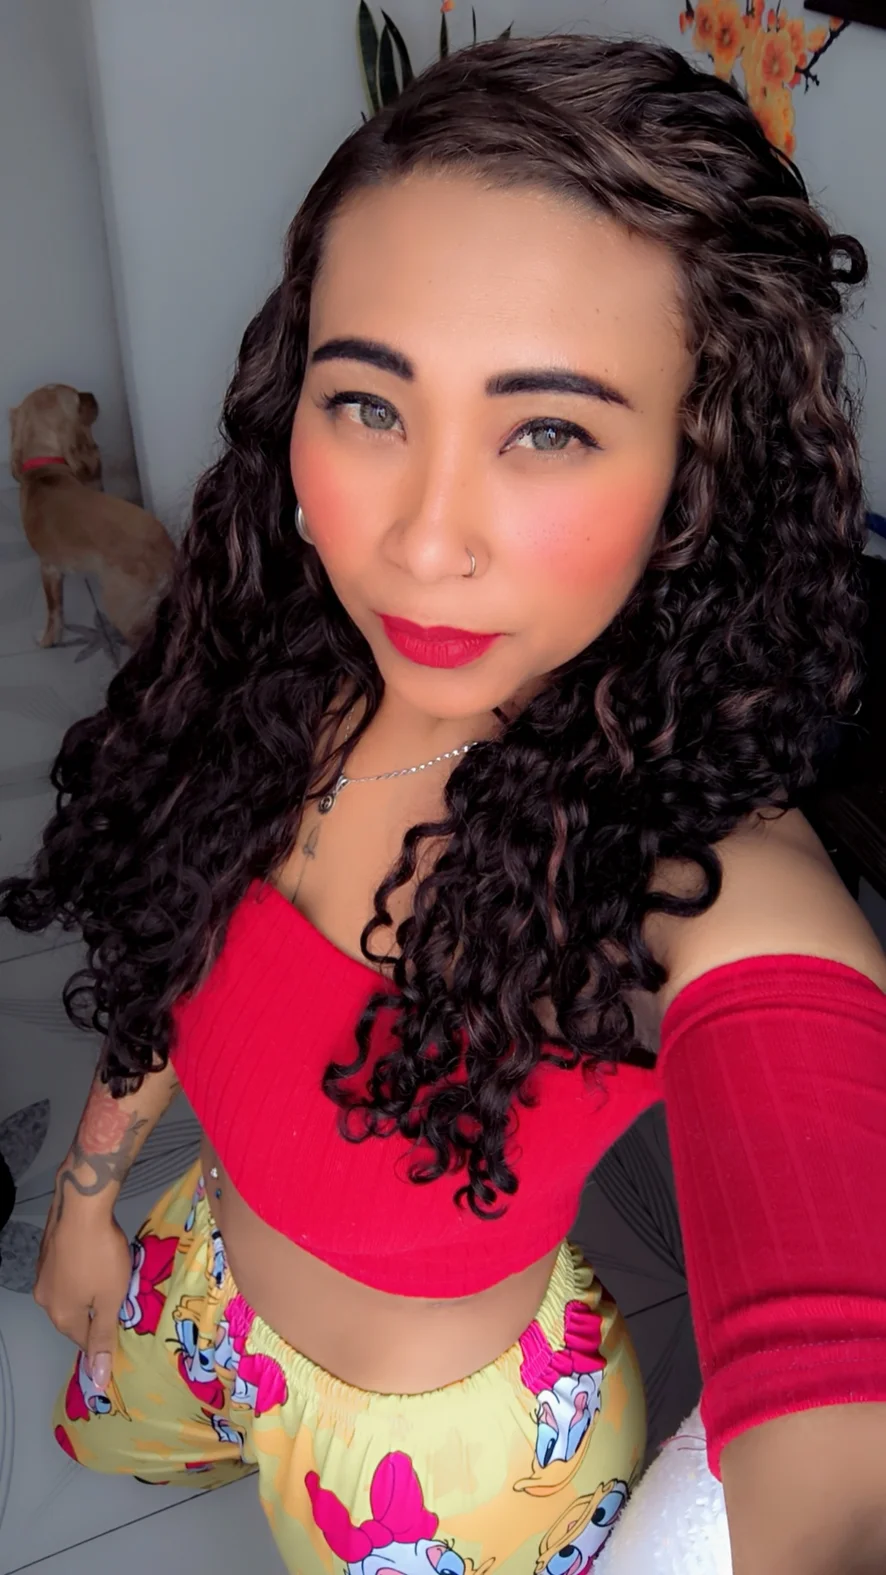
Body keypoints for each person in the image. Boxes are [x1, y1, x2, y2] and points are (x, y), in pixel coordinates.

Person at [3, 32, 885, 1575]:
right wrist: (88, 1195)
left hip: (445, 1480)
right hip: (194, 1280)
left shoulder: (699, 870)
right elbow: (167, 953)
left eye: (546, 429)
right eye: (370, 404)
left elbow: (841, 1414)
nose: (421, 541)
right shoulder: (264, 678)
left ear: (693, 473)